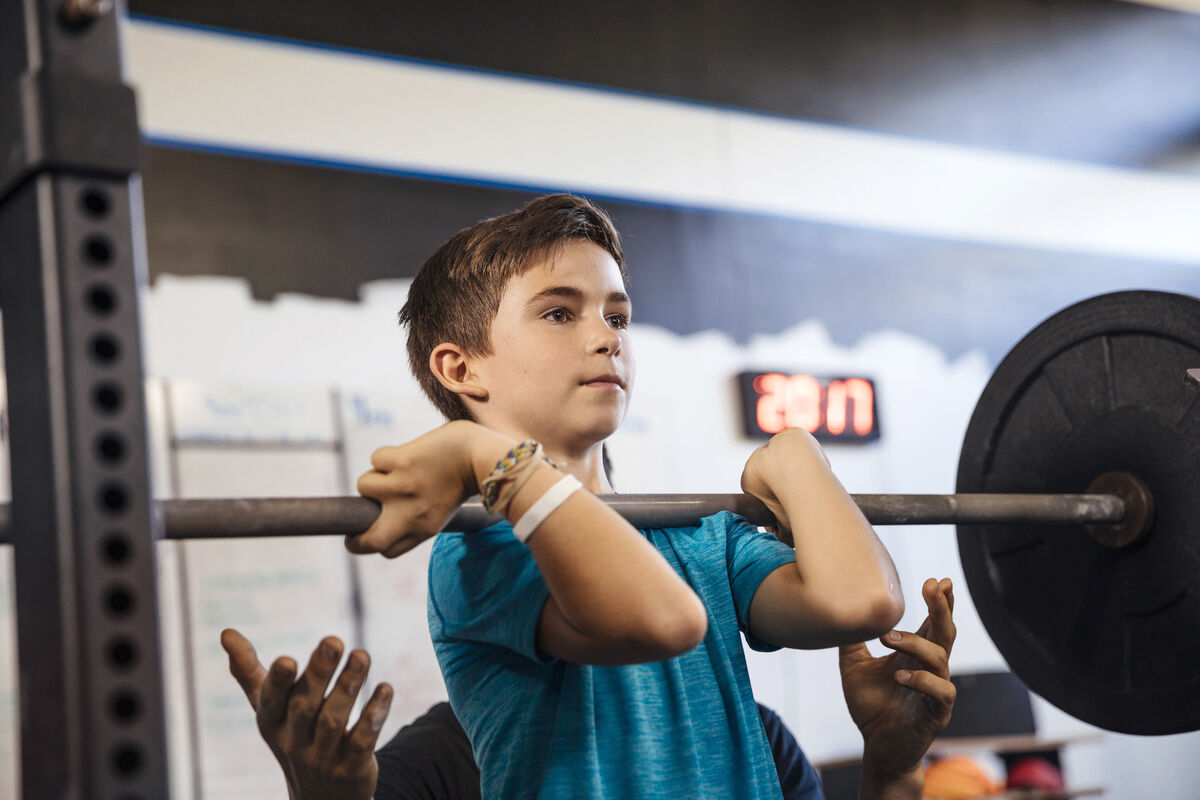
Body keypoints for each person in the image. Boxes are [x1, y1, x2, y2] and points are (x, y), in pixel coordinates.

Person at [223, 194, 957, 798]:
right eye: (558, 312)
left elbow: (860, 603)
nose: (607, 337)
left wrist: (797, 455)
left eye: (617, 315)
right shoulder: (481, 550)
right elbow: (661, 620)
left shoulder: (702, 535)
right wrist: (489, 458)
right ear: (462, 368)